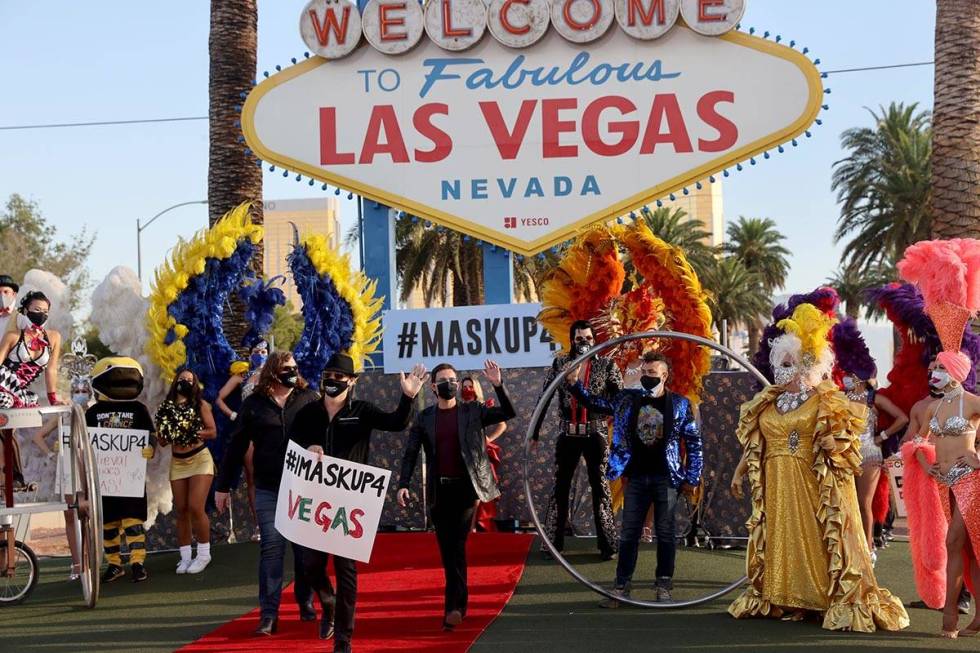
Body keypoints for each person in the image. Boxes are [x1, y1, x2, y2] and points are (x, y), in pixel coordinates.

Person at [728, 303, 908, 632]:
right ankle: (785, 596)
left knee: (814, 536)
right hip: (776, 480)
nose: (781, 371)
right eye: (779, 364)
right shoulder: (767, 402)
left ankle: (818, 599)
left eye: (788, 364)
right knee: (782, 536)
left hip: (811, 482)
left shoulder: (825, 400)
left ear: (805, 364)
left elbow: (842, 447)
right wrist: (740, 472)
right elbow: (756, 444)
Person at [292, 353, 427, 652]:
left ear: (352, 381)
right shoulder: (307, 413)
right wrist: (307, 446)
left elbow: (396, 422)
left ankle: (343, 639)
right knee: (310, 565)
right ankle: (327, 602)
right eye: (329, 375)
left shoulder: (362, 410)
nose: (332, 381)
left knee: (346, 569)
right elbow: (290, 444)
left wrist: (408, 397)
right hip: (313, 502)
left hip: (349, 503)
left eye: (339, 377)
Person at [565, 351, 701, 605]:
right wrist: (574, 384)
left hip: (667, 478)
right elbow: (596, 404)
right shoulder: (627, 399)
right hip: (636, 477)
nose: (647, 377)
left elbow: (693, 442)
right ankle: (621, 587)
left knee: (666, 533)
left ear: (664, 375)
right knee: (628, 533)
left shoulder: (680, 404)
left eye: (652, 373)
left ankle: (663, 586)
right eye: (643, 373)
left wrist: (692, 476)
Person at [897, 238, 980, 637]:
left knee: (953, 542)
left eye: (941, 370)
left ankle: (950, 616)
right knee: (967, 552)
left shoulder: (972, 402)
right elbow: (916, 441)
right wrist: (923, 460)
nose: (934, 375)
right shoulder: (933, 408)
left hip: (970, 483)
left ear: (958, 372)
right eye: (933, 369)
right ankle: (978, 616)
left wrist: (978, 461)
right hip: (943, 484)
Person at [398, 360, 515, 631]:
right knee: (447, 548)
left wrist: (498, 385)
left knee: (456, 547)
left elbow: (508, 412)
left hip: (466, 490)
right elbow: (411, 453)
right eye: (443, 381)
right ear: (433, 387)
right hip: (440, 492)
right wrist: (403, 484)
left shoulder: (472, 411)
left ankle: (454, 607)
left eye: (452, 380)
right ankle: (457, 603)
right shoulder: (424, 417)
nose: (449, 384)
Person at [215, 352, 319, 636]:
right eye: (287, 368)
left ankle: (304, 598)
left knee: (304, 552)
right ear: (273, 371)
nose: (293, 372)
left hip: (303, 488)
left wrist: (318, 446)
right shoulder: (253, 405)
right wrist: (222, 486)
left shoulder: (309, 399)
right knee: (271, 548)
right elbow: (236, 446)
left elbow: (324, 432)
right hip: (268, 488)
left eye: (295, 368)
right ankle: (269, 614)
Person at [536, 319, 622, 560]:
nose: (584, 343)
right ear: (571, 340)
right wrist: (534, 432)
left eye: (588, 339)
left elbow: (619, 401)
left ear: (595, 341)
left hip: (596, 433)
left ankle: (608, 545)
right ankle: (553, 542)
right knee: (559, 488)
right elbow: (545, 396)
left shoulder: (607, 365)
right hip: (568, 434)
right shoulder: (561, 363)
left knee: (601, 489)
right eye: (579, 339)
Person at [87, 357, 156, 583]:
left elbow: (151, 434)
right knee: (108, 524)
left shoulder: (139, 409)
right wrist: (67, 443)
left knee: (133, 523)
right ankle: (114, 564)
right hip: (104, 480)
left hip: (130, 479)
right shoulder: (93, 411)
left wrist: (150, 448)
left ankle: (138, 562)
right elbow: (82, 438)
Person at [156, 368, 218, 574]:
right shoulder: (166, 408)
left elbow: (212, 432)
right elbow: (163, 441)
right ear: (175, 382)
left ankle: (203, 554)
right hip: (178, 462)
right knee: (181, 509)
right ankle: (184, 557)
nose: (185, 382)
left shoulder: (200, 405)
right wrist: (163, 434)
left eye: (190, 380)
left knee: (195, 506)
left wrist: (190, 431)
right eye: (182, 379)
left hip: (200, 459)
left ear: (195, 384)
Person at [461, 374, 507, 532]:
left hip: (478, 455)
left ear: (476, 388)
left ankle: (472, 526)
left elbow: (502, 425)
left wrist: (488, 439)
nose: (467, 389)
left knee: (476, 493)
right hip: (460, 455)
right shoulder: (457, 406)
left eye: (470, 386)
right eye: (464, 386)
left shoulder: (483, 406)